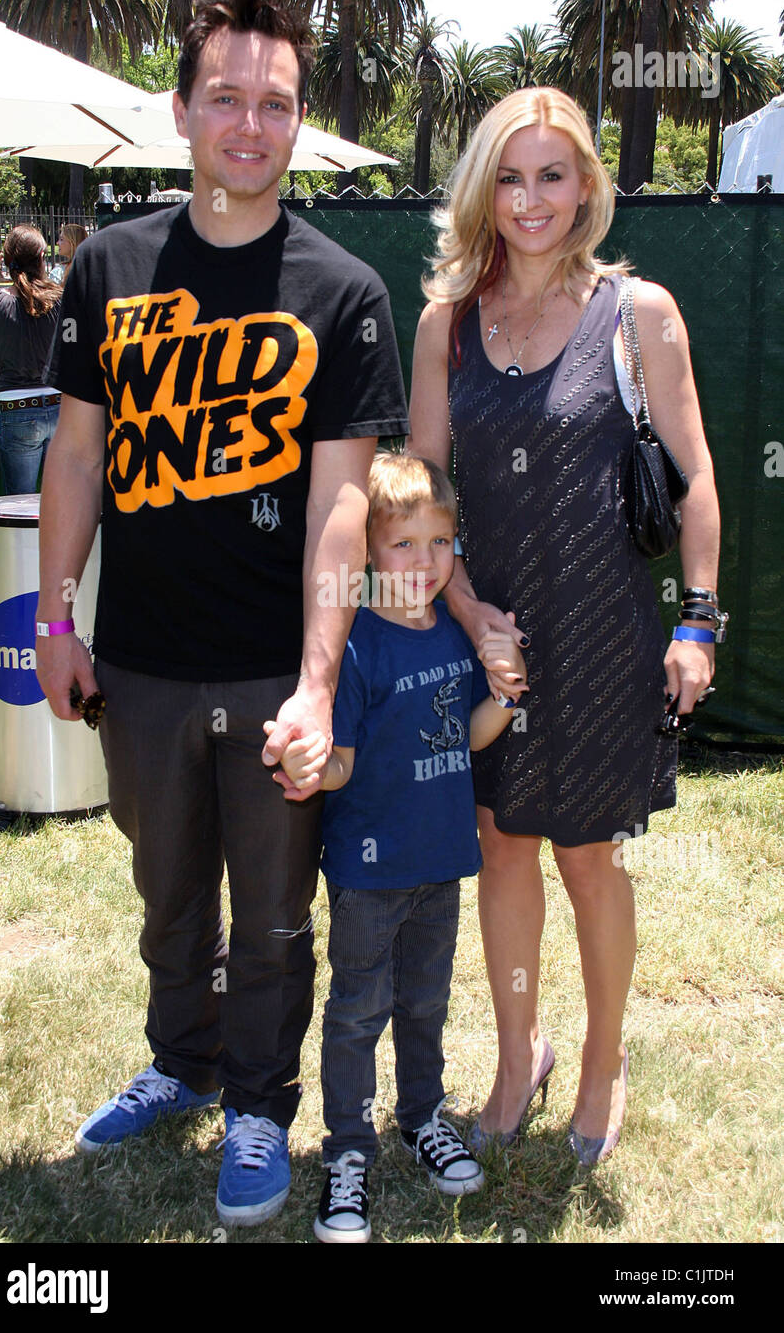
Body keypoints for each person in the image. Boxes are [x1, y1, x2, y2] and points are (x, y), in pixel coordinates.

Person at [35, 0, 408, 1229]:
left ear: (297, 123)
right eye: (228, 99)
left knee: (272, 910)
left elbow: (342, 505)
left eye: (277, 104)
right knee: (166, 888)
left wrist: (314, 679)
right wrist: (52, 621)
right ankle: (179, 1056)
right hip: (137, 658)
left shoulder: (345, 292)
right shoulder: (106, 264)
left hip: (267, 667)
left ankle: (256, 1101)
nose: (251, 124)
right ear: (183, 111)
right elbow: (75, 456)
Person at [408, 88, 721, 1166]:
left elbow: (691, 481)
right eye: (508, 175)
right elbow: (418, 491)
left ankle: (601, 1063)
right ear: (480, 189)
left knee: (588, 856)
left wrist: (697, 623)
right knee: (499, 845)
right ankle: (514, 1055)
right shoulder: (444, 322)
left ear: (586, 184)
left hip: (601, 635)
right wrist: (461, 610)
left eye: (551, 174)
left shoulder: (640, 313)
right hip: (488, 644)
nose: (529, 199)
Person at [272, 452, 527, 1242]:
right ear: (369, 552)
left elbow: (469, 736)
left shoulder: (452, 633)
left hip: (441, 863)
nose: (424, 563)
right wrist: (308, 764)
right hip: (367, 877)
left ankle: (420, 1118)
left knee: (425, 1005)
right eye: (402, 545)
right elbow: (340, 762)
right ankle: (347, 1152)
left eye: (439, 543)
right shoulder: (355, 647)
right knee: (357, 1013)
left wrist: (505, 700)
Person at [0, 225, 62, 493]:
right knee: (61, 497)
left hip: (17, 408)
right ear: (42, 257)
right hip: (57, 405)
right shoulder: (58, 300)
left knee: (18, 503)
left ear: (6, 262)